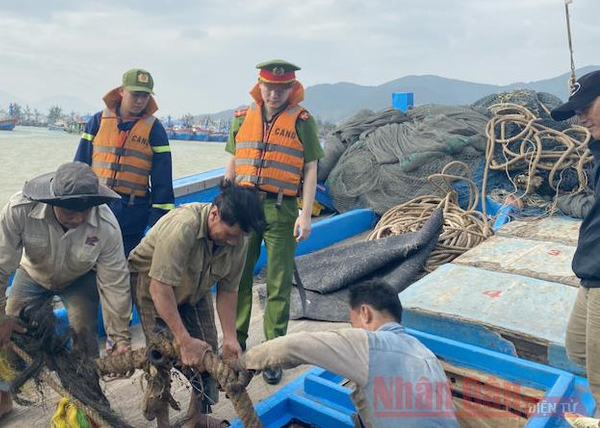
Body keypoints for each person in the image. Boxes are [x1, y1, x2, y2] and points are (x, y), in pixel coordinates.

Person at [0, 162, 133, 428]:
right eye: (70, 213)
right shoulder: (20, 210)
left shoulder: (106, 225)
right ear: (51, 202)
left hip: (80, 276)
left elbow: (115, 282)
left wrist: (120, 338)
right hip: (33, 273)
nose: (79, 219)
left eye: (85, 212)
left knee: (84, 330)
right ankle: (3, 398)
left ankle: (92, 400)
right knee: (10, 329)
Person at [127, 181, 266, 428]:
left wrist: (231, 337)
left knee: (207, 349)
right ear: (215, 214)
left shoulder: (238, 241)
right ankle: (163, 423)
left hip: (195, 285)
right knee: (160, 357)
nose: (234, 242)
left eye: (240, 237)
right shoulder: (184, 226)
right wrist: (183, 339)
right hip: (152, 284)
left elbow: (228, 290)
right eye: (231, 234)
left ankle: (196, 418)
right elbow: (160, 288)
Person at [239, 279, 459, 427]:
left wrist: (244, 362)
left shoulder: (370, 342)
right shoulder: (428, 356)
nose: (354, 330)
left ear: (365, 313)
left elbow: (291, 347)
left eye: (353, 323)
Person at [225, 59, 325, 384]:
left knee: (278, 282)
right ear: (259, 85)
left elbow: (310, 168)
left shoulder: (303, 120)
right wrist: (226, 204)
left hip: (281, 211)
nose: (273, 93)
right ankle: (235, 344)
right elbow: (232, 162)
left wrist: (305, 213)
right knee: (237, 276)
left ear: (291, 89)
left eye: (281, 88)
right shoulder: (241, 118)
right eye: (268, 86)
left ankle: (272, 352)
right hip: (244, 207)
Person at [74, 68, 174, 258]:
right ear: (122, 91)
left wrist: (157, 220)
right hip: (95, 209)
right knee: (87, 262)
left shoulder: (155, 129)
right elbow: (80, 165)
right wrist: (76, 204)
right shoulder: (97, 121)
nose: (139, 101)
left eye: (145, 96)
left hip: (132, 216)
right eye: (135, 95)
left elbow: (163, 179)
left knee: (124, 267)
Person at [552, 69, 600, 409]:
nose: (581, 119)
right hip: (590, 271)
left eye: (586, 108)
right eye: (577, 112)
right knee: (577, 348)